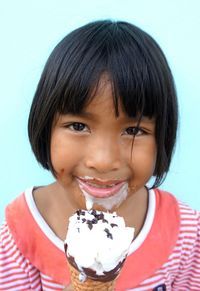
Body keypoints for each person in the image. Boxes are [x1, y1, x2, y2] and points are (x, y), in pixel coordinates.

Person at [0, 20, 199, 291]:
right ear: (45, 126)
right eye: (78, 126)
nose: (103, 160)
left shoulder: (185, 234)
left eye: (134, 129)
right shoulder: (20, 233)